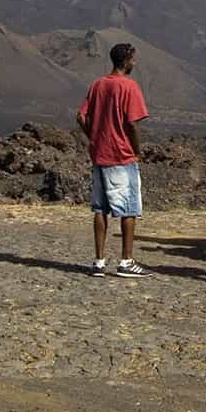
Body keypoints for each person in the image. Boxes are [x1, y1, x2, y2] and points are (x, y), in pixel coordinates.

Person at [77, 42, 152, 278]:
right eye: (133, 59)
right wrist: (136, 149)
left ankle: (99, 262)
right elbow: (131, 123)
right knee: (128, 209)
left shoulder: (98, 84)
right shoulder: (129, 86)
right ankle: (126, 261)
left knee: (100, 209)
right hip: (121, 155)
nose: (134, 63)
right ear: (128, 60)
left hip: (100, 154)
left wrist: (94, 136)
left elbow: (81, 116)